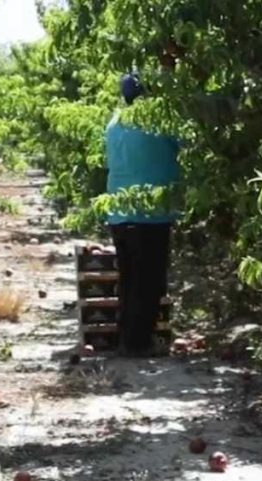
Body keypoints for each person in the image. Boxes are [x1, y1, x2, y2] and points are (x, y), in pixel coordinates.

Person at [103, 72, 182, 358]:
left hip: (119, 211)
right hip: (152, 212)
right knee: (149, 280)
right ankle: (139, 343)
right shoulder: (159, 121)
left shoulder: (115, 123)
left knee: (129, 276)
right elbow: (184, 147)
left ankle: (127, 338)